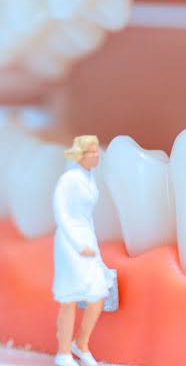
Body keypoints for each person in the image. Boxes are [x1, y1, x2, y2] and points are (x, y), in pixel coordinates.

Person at [52, 135, 115, 366]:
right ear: (81, 155)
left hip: (87, 239)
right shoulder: (68, 180)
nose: (97, 156)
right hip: (69, 242)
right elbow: (61, 214)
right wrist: (78, 245)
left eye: (97, 152)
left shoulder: (90, 180)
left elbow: (87, 218)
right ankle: (63, 353)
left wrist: (95, 251)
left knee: (97, 295)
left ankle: (81, 343)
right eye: (92, 152)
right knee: (69, 298)